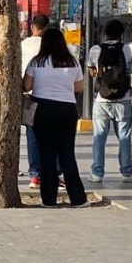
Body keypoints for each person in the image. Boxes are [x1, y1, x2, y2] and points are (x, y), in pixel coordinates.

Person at [23, 29, 88, 208]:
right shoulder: (72, 62)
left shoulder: (36, 62)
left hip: (42, 109)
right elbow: (79, 88)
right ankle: (78, 198)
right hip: (67, 109)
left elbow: (26, 85)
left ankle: (49, 199)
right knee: (67, 154)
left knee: (46, 155)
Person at [86, 19, 132, 183]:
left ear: (104, 33)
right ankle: (127, 173)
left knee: (99, 137)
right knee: (124, 136)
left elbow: (91, 71)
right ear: (121, 34)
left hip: (102, 99)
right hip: (123, 98)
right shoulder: (126, 48)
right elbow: (129, 69)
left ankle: (97, 173)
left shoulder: (96, 49)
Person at [22, 14, 51, 189]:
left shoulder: (23, 44)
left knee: (32, 136)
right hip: (48, 94)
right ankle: (54, 173)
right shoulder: (49, 46)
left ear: (33, 27)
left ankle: (35, 175)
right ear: (46, 27)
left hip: (29, 95)